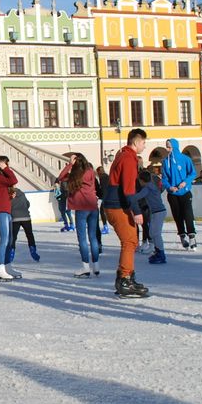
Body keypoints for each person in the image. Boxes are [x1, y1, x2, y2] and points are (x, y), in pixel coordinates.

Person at [105, 128, 149, 298]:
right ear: (136, 142)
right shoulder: (129, 159)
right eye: (144, 143)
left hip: (115, 205)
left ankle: (128, 276)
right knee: (129, 242)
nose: (144, 146)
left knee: (131, 241)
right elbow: (128, 188)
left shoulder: (122, 155)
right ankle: (124, 279)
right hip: (117, 206)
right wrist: (136, 211)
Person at [59, 152, 101, 277]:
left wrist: (69, 165)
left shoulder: (74, 175)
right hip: (93, 206)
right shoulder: (90, 172)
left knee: (82, 238)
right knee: (93, 237)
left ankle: (85, 267)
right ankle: (96, 265)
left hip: (81, 208)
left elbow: (61, 177)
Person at [161, 138, 198, 250]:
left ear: (175, 146)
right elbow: (164, 178)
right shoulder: (165, 162)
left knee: (188, 214)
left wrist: (185, 182)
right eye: (166, 147)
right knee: (178, 216)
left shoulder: (185, 159)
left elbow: (192, 173)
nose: (168, 149)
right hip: (173, 194)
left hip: (185, 192)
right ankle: (182, 236)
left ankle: (192, 236)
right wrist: (169, 187)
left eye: (169, 147)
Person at [0, 156, 20, 281]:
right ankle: (0, 269)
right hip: (0, 211)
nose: (8, 166)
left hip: (6, 211)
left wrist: (9, 197)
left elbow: (4, 190)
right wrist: (6, 168)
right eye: (6, 164)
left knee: (10, 240)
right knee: (4, 240)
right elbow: (14, 179)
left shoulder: (2, 179)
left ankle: (7, 266)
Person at [139, 168, 168, 265]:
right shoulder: (151, 186)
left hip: (159, 212)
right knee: (152, 233)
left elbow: (138, 196)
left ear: (142, 180)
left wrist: (128, 197)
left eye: (139, 180)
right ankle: (158, 251)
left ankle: (161, 254)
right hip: (156, 212)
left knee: (156, 234)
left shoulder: (147, 188)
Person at [6, 186, 39, 263]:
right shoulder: (22, 193)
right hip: (26, 217)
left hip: (15, 218)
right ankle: (33, 252)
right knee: (29, 235)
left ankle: (11, 254)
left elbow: (8, 206)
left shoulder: (9, 195)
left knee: (13, 237)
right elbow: (27, 204)